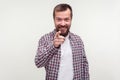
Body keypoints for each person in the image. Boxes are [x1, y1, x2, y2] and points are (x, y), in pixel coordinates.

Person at [35, 3, 89, 80]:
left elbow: (84, 65)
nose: (63, 24)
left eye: (66, 19)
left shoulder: (78, 40)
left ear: (71, 19)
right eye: (59, 19)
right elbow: (38, 63)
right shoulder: (45, 39)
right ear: (54, 20)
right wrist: (53, 46)